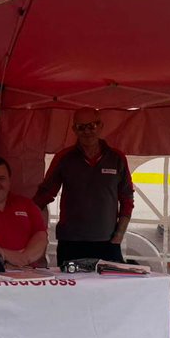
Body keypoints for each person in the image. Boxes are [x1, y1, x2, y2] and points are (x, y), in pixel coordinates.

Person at [33, 108, 134, 265]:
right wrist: (23, 217)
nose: (87, 131)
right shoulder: (63, 158)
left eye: (92, 126)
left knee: (109, 289)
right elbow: (44, 194)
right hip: (71, 242)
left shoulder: (117, 158)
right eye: (81, 127)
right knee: (71, 289)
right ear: (74, 129)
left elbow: (127, 197)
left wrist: (120, 233)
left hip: (107, 242)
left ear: (100, 126)